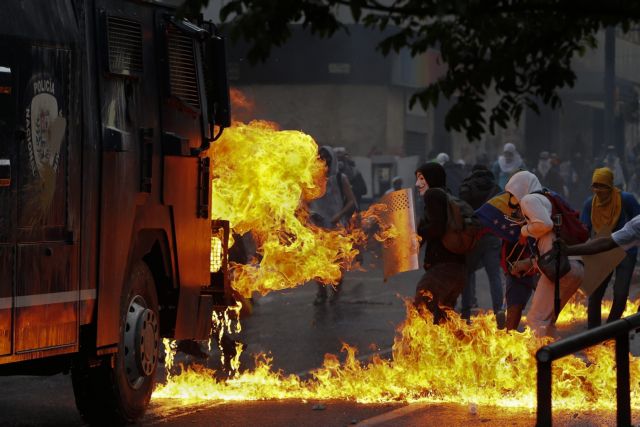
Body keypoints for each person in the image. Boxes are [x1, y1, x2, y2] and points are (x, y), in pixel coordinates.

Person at [504, 171, 583, 336]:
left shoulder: (529, 199)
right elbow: (549, 248)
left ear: (519, 189)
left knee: (536, 320)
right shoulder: (547, 199)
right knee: (547, 322)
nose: (513, 200)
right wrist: (527, 263)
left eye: (512, 194)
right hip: (574, 267)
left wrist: (525, 230)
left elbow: (545, 225)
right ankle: (555, 359)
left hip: (560, 269)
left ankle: (540, 359)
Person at [579, 167, 640, 328]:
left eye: (602, 186)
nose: (598, 190)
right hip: (602, 249)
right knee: (595, 294)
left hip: (626, 250)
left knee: (620, 294)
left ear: (611, 186)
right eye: (595, 186)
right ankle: (593, 333)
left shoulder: (626, 199)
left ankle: (610, 330)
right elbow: (584, 229)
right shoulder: (589, 204)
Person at [413, 162, 467, 324]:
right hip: (458, 269)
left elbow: (437, 227)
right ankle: (453, 349)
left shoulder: (433, 195)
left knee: (422, 302)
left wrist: (418, 234)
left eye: (421, 179)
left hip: (443, 268)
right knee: (444, 318)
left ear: (432, 179)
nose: (417, 184)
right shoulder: (446, 194)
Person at [458, 165, 505, 328]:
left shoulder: (466, 187)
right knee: (494, 276)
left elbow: (460, 211)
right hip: (491, 236)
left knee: (467, 274)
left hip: (473, 237)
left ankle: (465, 312)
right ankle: (499, 310)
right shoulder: (496, 187)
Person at [310, 146, 357, 304]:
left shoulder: (340, 178)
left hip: (337, 227)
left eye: (327, 159)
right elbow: (305, 203)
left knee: (337, 263)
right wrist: (310, 214)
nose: (324, 163)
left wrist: (339, 215)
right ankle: (321, 292)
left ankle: (336, 292)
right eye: (321, 159)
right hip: (318, 228)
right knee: (318, 263)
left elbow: (352, 202)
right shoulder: (312, 180)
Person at [561, 213, 640, 255]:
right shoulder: (637, 223)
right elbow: (606, 243)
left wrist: (568, 250)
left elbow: (606, 243)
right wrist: (567, 250)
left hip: (627, 250)